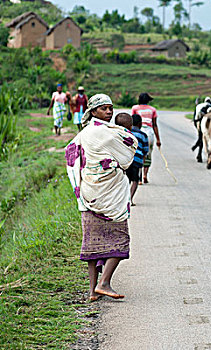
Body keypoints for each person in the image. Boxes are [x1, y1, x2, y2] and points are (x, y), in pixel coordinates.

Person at [65, 94, 138, 301]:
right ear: (93, 111)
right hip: (110, 194)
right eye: (104, 108)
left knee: (92, 245)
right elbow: (128, 153)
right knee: (120, 238)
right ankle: (103, 283)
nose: (109, 112)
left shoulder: (85, 133)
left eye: (110, 108)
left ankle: (92, 290)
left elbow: (71, 154)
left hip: (90, 193)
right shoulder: (105, 133)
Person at [131, 93, 161, 184]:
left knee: (137, 154)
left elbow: (133, 121)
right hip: (150, 133)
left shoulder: (135, 108)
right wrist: (158, 139)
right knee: (147, 154)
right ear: (148, 100)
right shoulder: (152, 110)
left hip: (138, 132)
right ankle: (145, 175)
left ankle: (139, 177)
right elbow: (155, 125)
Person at [125, 114, 149, 206]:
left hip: (127, 159)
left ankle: (125, 198)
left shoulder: (127, 132)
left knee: (126, 179)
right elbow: (145, 150)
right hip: (137, 160)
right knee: (135, 180)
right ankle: (130, 199)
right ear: (140, 124)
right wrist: (142, 160)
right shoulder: (143, 135)